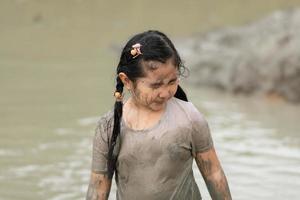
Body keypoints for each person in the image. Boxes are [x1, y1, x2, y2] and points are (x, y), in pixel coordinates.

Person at [86, 30, 232, 200]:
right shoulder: (110, 127)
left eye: (172, 81)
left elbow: (213, 174)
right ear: (126, 81)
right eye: (155, 86)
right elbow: (98, 186)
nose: (165, 93)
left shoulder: (189, 119)